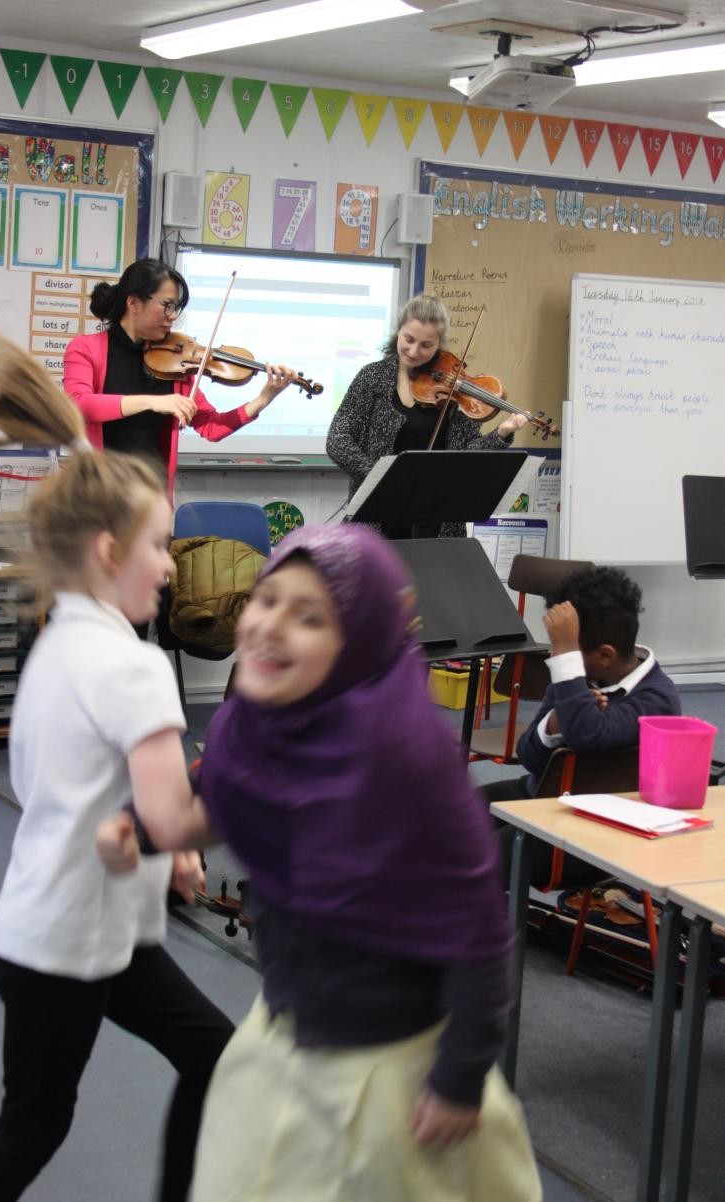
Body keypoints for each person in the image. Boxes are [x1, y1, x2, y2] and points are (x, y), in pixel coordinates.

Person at [99, 524, 543, 1202]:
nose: (270, 626)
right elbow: (222, 795)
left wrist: (457, 1079)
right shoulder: (254, 720)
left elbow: (480, 933)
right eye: (266, 599)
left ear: (355, 643)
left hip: (390, 1067)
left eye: (309, 617)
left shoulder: (403, 759)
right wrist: (145, 833)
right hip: (286, 1030)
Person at [0, 334, 234, 1202]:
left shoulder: (58, 645)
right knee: (35, 1126)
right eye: (163, 547)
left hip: (70, 929)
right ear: (109, 552)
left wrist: (160, 843)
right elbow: (170, 814)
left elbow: (91, 794)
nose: (172, 568)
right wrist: (245, 791)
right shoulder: (134, 666)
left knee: (212, 1057)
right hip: (69, 945)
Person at [484, 565, 682, 885]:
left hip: (592, 833)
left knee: (468, 862)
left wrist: (567, 662)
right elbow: (530, 757)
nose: (554, 655)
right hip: (543, 797)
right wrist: (553, 722)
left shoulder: (658, 702)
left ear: (605, 655)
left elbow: (587, 733)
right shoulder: (581, 678)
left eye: (564, 652)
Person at [62, 257, 295, 500]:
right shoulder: (85, 349)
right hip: (99, 499)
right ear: (133, 302)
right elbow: (81, 404)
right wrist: (154, 401)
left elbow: (211, 426)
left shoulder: (172, 361)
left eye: (176, 308)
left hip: (151, 502)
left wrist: (264, 398)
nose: (172, 316)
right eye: (167, 305)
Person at [325, 293, 528, 536]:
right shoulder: (372, 377)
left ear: (439, 344)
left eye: (426, 345)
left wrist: (502, 434)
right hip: (376, 520)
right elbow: (338, 439)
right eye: (408, 339)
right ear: (398, 331)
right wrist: (379, 480)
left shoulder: (453, 390)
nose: (413, 351)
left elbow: (467, 455)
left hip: (438, 523)